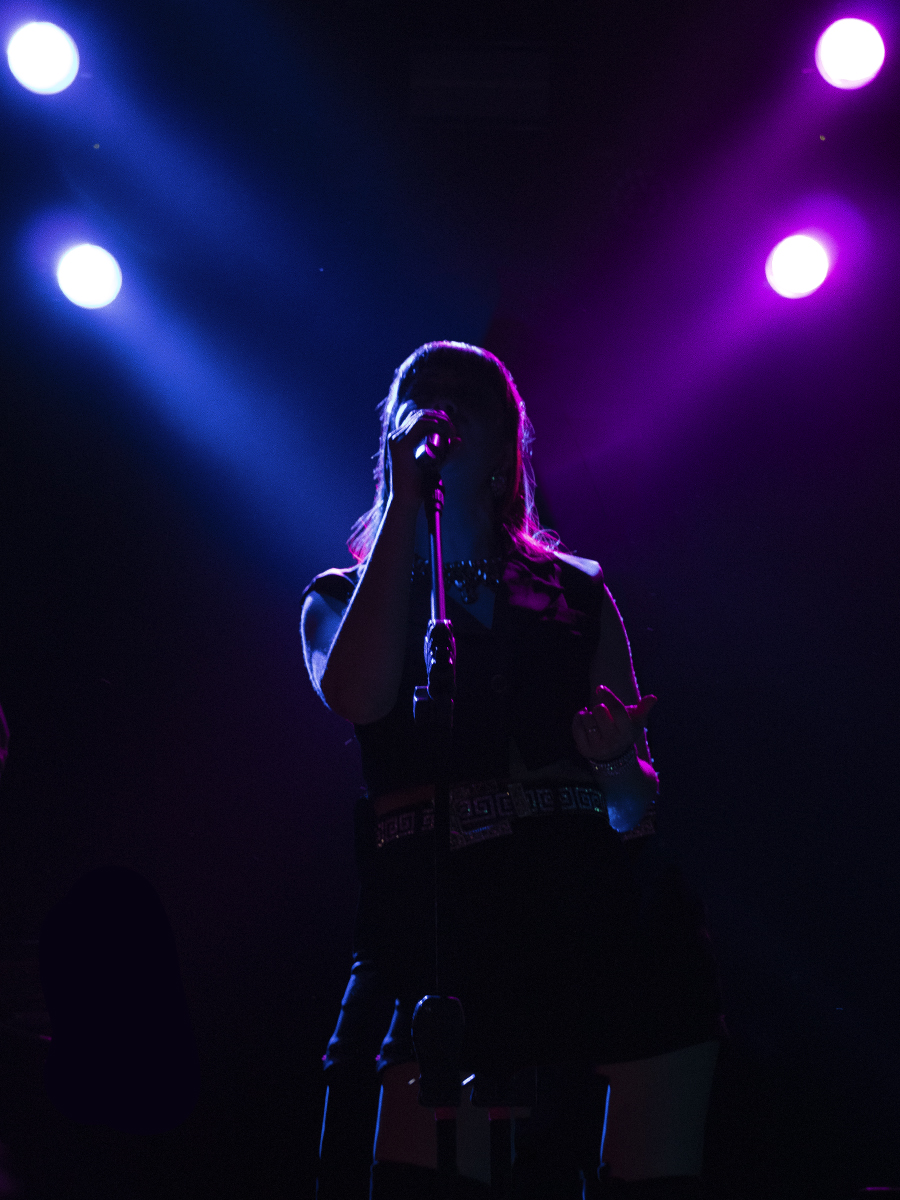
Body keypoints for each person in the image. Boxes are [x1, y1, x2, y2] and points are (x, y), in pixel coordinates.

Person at [301, 342, 725, 1198]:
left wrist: (615, 765)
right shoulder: (340, 597)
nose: (442, 413)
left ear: (506, 448)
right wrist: (408, 506)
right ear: (391, 437)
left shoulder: (577, 591)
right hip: (438, 929)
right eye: (422, 397)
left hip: (594, 921)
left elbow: (632, 807)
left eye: (468, 400)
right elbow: (359, 696)